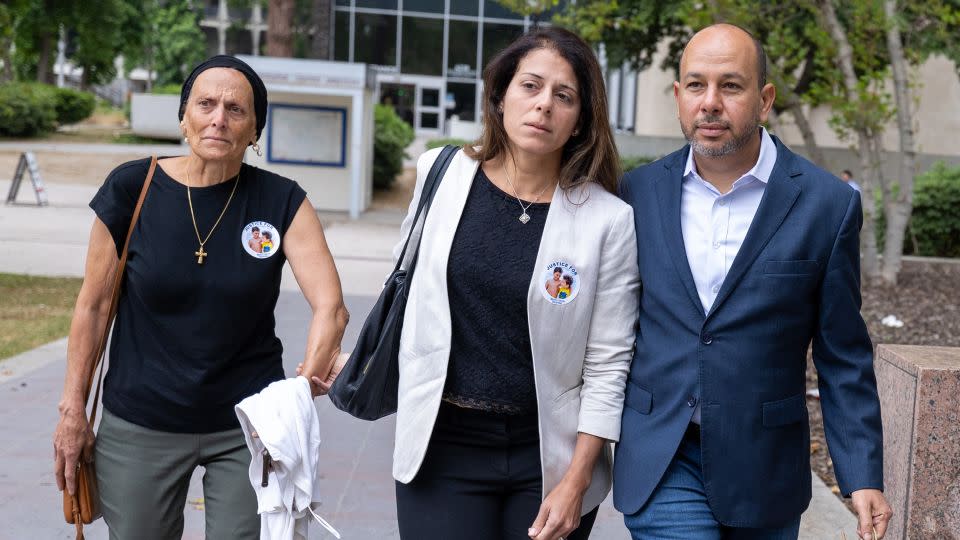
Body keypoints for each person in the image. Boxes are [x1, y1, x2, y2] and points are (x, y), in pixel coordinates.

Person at [52, 55, 349, 539]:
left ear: (255, 130)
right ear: (183, 116)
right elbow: (93, 306)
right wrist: (72, 410)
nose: (218, 118)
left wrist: (302, 386)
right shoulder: (133, 187)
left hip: (247, 426)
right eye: (205, 104)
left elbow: (330, 306)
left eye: (236, 109)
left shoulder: (281, 200)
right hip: (140, 420)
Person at [615, 24, 892, 540]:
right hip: (662, 455)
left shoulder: (827, 205)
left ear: (764, 100)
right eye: (695, 85)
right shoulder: (637, 193)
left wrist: (861, 474)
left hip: (765, 465)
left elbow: (842, 353)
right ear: (678, 97)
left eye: (731, 86)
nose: (710, 103)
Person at [384, 27, 640, 540]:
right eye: (531, 86)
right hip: (441, 445)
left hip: (546, 458)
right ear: (500, 96)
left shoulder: (608, 220)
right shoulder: (442, 173)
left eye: (563, 96)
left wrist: (577, 480)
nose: (543, 105)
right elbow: (407, 288)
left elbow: (608, 364)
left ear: (579, 120)